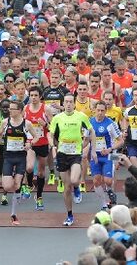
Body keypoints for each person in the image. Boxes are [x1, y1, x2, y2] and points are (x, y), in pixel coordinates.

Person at [49, 93, 97, 226]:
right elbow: (51, 134)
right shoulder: (57, 118)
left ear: (74, 103)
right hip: (62, 153)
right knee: (66, 187)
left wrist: (93, 149)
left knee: (75, 180)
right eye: (66, 102)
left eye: (71, 102)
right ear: (63, 104)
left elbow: (92, 132)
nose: (69, 104)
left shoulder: (81, 116)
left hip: (76, 153)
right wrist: (53, 146)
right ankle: (69, 215)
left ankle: (77, 187)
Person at [0, 100, 36, 225]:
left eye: (12, 109)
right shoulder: (5, 122)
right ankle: (21, 188)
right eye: (9, 108)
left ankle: (13, 215)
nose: (9, 110)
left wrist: (30, 143)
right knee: (7, 186)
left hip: (21, 157)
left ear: (19, 111)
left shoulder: (26, 124)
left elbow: (36, 136)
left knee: (17, 185)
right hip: (8, 157)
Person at [89, 100, 123, 210]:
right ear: (94, 110)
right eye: (98, 110)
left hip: (108, 155)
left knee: (108, 181)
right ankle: (103, 203)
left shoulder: (110, 124)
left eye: (102, 111)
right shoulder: (90, 123)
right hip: (95, 156)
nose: (100, 113)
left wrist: (110, 149)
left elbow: (121, 141)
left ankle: (110, 193)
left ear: (105, 111)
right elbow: (85, 139)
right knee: (96, 181)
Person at [24, 86, 53, 210]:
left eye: (36, 95)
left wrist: (45, 124)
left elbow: (53, 128)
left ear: (40, 96)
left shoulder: (46, 109)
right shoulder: (25, 109)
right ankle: (30, 184)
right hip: (31, 143)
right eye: (31, 95)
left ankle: (39, 197)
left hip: (43, 143)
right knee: (29, 167)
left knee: (41, 172)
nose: (33, 98)